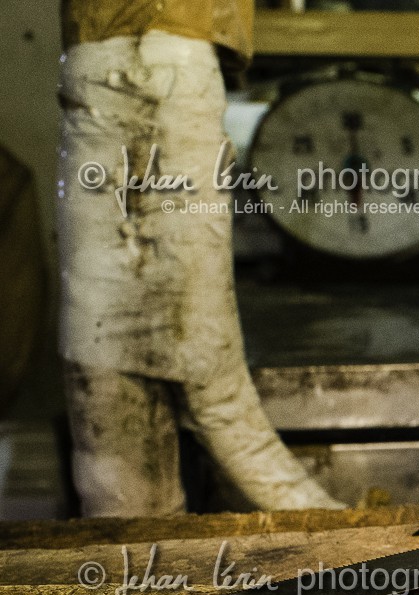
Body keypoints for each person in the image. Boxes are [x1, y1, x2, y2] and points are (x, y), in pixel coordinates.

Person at [58, 0, 339, 515]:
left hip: (126, 60)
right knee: (155, 405)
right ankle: (369, 551)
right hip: (159, 64)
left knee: (118, 419)